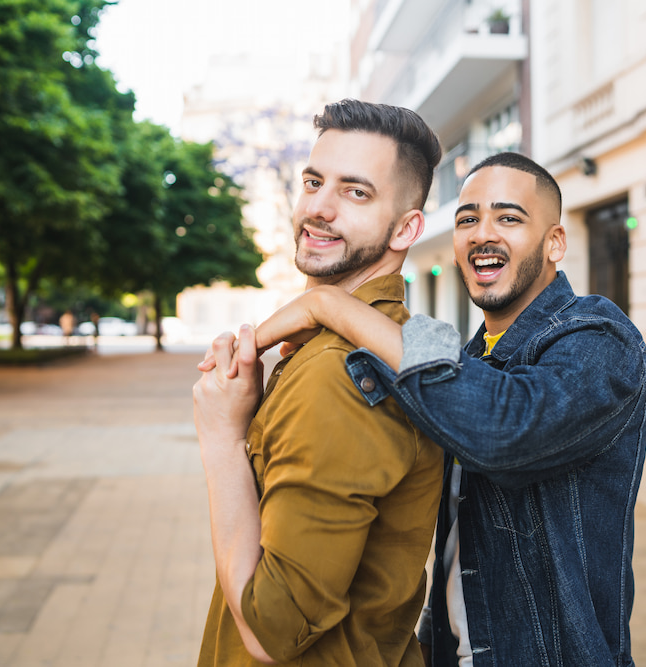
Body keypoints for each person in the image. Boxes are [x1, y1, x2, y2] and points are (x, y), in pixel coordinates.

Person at [248, 152, 646, 666]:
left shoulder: (600, 337)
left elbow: (505, 429)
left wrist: (329, 305)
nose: (482, 233)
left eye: (508, 217)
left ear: (555, 243)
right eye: (467, 219)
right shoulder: (465, 361)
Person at [192, 99, 445, 666]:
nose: (319, 208)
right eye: (313, 181)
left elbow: (269, 632)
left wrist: (220, 438)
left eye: (357, 192)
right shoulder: (385, 342)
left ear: (406, 227)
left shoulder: (342, 371)